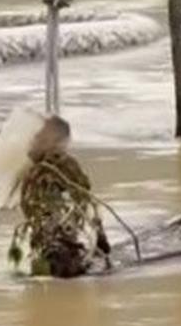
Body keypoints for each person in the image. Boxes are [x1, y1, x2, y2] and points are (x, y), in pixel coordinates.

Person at [9, 115, 112, 278]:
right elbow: (88, 203)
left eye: (38, 137)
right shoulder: (35, 172)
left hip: (59, 251)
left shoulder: (57, 173)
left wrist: (99, 236)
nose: (31, 141)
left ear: (54, 143)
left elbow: (73, 207)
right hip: (56, 247)